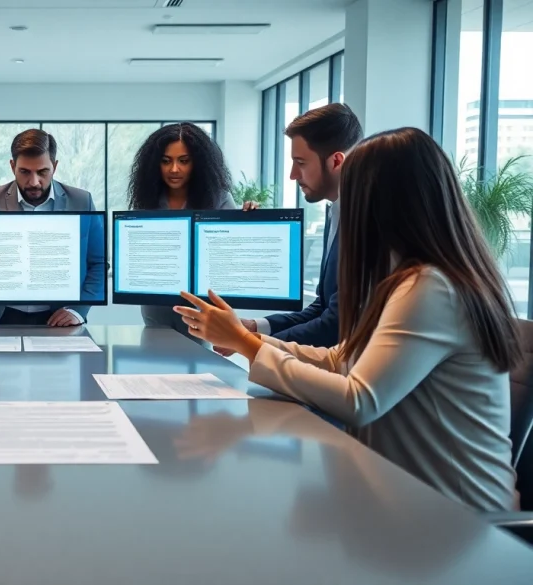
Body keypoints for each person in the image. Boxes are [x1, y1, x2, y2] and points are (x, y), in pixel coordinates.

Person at [174, 127, 520, 512]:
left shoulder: (431, 288)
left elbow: (359, 399)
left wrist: (248, 345)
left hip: (452, 518)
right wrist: (246, 338)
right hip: (404, 494)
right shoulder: (408, 278)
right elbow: (343, 359)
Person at [233, 103, 362, 349]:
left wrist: (252, 344)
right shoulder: (335, 212)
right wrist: (256, 327)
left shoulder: (363, 221)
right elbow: (323, 306)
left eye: (300, 163)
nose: (293, 175)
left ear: (336, 161)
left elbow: (336, 324)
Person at [0, 128, 107, 326]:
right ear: (12, 167)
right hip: (3, 315)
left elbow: (98, 262)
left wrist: (79, 310)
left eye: (42, 172)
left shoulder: (81, 201)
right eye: (25, 172)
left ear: (54, 166)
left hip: (61, 316)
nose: (34, 182)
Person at [128, 122, 256, 338]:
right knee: (152, 362)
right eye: (166, 161)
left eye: (184, 161)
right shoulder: (148, 200)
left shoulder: (219, 199)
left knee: (199, 367)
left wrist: (249, 221)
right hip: (155, 305)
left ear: (198, 163)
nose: (174, 169)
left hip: (201, 306)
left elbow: (230, 255)